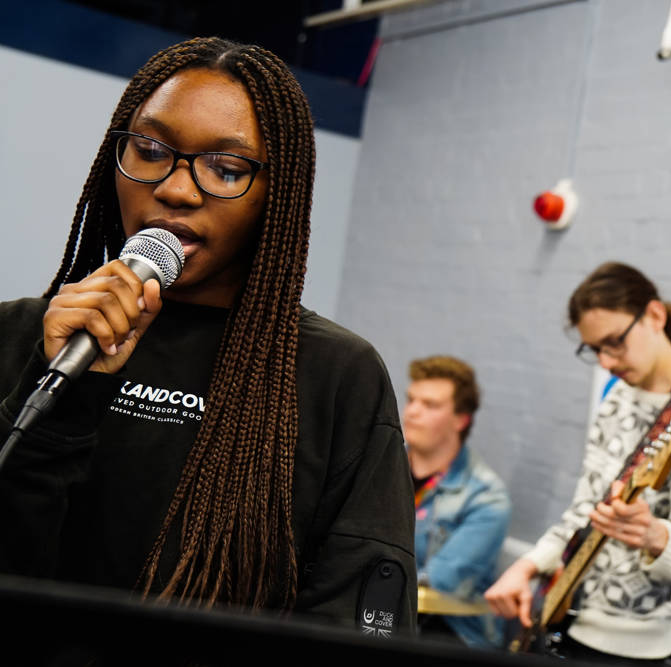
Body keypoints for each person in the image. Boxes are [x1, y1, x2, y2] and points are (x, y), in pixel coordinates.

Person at [0, 36, 416, 648]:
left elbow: (352, 621)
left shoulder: (334, 375)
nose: (177, 189)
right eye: (149, 150)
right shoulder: (20, 338)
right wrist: (58, 399)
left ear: (277, 198)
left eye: (226, 169)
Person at [485, 261, 671, 664]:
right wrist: (529, 565)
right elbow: (585, 511)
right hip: (562, 617)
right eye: (594, 351)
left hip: (634, 653)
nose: (606, 363)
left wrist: (655, 537)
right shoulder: (617, 401)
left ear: (655, 316)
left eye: (615, 342)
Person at [403, 355, 511, 649]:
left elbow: (439, 582)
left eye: (430, 405)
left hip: (450, 632)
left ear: (461, 420)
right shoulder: (377, 468)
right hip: (383, 612)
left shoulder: (486, 496)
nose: (411, 412)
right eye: (411, 400)